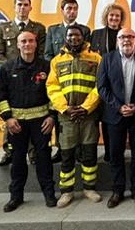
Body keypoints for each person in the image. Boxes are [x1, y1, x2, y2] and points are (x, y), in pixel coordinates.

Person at [0, 31, 56, 211]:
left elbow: (53, 92)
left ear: (36, 44)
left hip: (41, 122)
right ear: (18, 44)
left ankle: (49, 193)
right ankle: (16, 196)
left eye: (31, 41)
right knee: (17, 160)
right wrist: (8, 118)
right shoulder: (7, 67)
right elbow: (2, 97)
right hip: (17, 124)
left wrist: (52, 116)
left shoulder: (47, 66)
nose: (27, 44)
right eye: (24, 41)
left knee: (44, 158)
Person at [46, 25, 102, 208]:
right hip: (66, 117)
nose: (74, 38)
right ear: (65, 37)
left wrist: (86, 107)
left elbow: (99, 86)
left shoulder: (95, 58)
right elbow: (52, 87)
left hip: (88, 116)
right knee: (67, 155)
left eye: (77, 35)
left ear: (83, 37)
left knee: (89, 153)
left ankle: (89, 188)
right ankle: (67, 192)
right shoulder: (56, 61)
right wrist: (65, 108)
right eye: (70, 35)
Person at [97, 28, 135, 208]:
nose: (126, 40)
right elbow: (102, 88)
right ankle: (118, 189)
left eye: (130, 37)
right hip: (114, 115)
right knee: (116, 154)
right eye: (122, 37)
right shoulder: (107, 59)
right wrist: (119, 107)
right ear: (117, 40)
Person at [0, 0, 47, 167]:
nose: (22, 8)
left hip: (34, 75)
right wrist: (10, 68)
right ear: (14, 7)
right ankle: (9, 150)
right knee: (11, 112)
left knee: (33, 113)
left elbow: (41, 53)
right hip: (11, 76)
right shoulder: (3, 28)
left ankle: (33, 153)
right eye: (19, 5)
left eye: (26, 5)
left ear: (30, 7)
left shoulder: (38, 28)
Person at [44, 0, 91, 163]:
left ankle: (78, 149)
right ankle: (61, 148)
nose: (72, 11)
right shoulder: (52, 30)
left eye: (75, 9)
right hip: (60, 78)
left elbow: (86, 52)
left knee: (79, 116)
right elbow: (48, 53)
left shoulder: (85, 29)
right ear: (62, 10)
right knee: (61, 115)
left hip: (79, 78)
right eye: (69, 8)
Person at [90, 3, 126, 161]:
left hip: (121, 81)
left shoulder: (125, 34)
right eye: (111, 15)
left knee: (119, 119)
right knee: (106, 118)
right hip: (102, 79)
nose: (114, 18)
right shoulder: (96, 34)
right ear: (106, 17)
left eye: (117, 16)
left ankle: (118, 151)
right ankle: (108, 151)